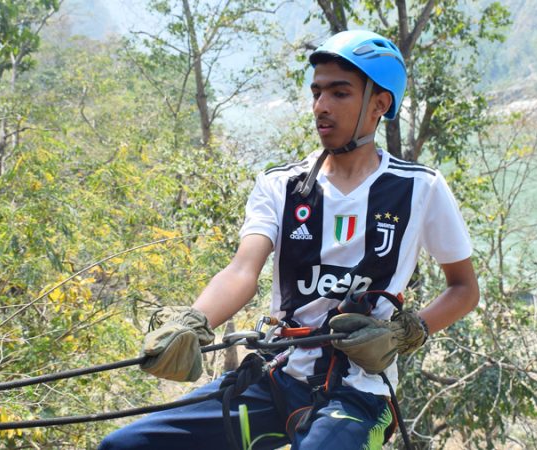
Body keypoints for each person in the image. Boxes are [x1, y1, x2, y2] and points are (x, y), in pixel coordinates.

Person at [99, 29, 479, 450]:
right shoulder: (282, 185)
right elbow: (243, 270)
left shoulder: (419, 188)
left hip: (359, 394)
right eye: (317, 92)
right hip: (276, 375)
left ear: (379, 103)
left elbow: (463, 288)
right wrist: (194, 322)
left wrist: (406, 332)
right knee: (126, 445)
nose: (321, 107)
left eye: (339, 93)